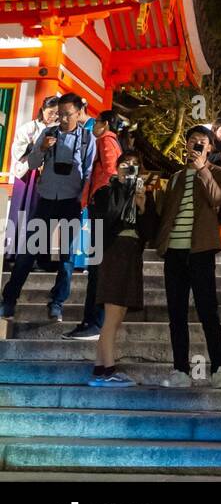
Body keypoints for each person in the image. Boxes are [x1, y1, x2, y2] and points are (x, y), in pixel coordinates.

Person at [1, 93, 97, 323]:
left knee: (67, 256)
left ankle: (57, 303)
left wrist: (83, 200)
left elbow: (90, 170)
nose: (62, 118)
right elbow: (32, 164)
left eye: (67, 114)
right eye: (60, 113)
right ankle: (9, 300)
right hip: (46, 199)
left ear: (78, 113)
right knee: (28, 251)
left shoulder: (87, 138)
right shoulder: (48, 132)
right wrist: (42, 148)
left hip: (70, 201)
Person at [155, 125, 221, 388]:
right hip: (174, 251)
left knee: (208, 310)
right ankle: (180, 369)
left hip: (201, 250)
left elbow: (217, 199)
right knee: (176, 313)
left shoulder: (218, 173)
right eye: (193, 141)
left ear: (210, 147)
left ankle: (219, 368)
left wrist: (203, 170)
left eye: (203, 142)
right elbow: (164, 212)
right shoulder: (175, 177)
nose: (197, 145)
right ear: (186, 145)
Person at [86, 151, 156, 387]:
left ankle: (98, 369)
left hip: (132, 253)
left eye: (135, 165)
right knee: (112, 317)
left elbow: (150, 233)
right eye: (125, 164)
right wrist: (125, 194)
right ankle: (109, 370)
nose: (129, 168)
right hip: (114, 252)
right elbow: (104, 223)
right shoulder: (106, 192)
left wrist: (143, 205)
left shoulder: (143, 195)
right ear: (116, 168)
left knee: (116, 317)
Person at [64, 111, 131, 342]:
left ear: (104, 124)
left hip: (103, 206)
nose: (94, 125)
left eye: (97, 122)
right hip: (102, 206)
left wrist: (98, 197)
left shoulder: (105, 141)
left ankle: (93, 322)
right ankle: (91, 321)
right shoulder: (112, 141)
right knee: (96, 266)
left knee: (97, 268)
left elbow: (112, 171)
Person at [4, 97, 60, 262]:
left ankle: (39, 256)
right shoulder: (29, 127)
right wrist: (36, 146)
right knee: (24, 212)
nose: (53, 117)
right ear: (42, 109)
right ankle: (14, 252)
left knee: (44, 216)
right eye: (50, 112)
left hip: (49, 177)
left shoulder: (59, 129)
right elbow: (18, 149)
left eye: (57, 113)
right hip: (29, 176)